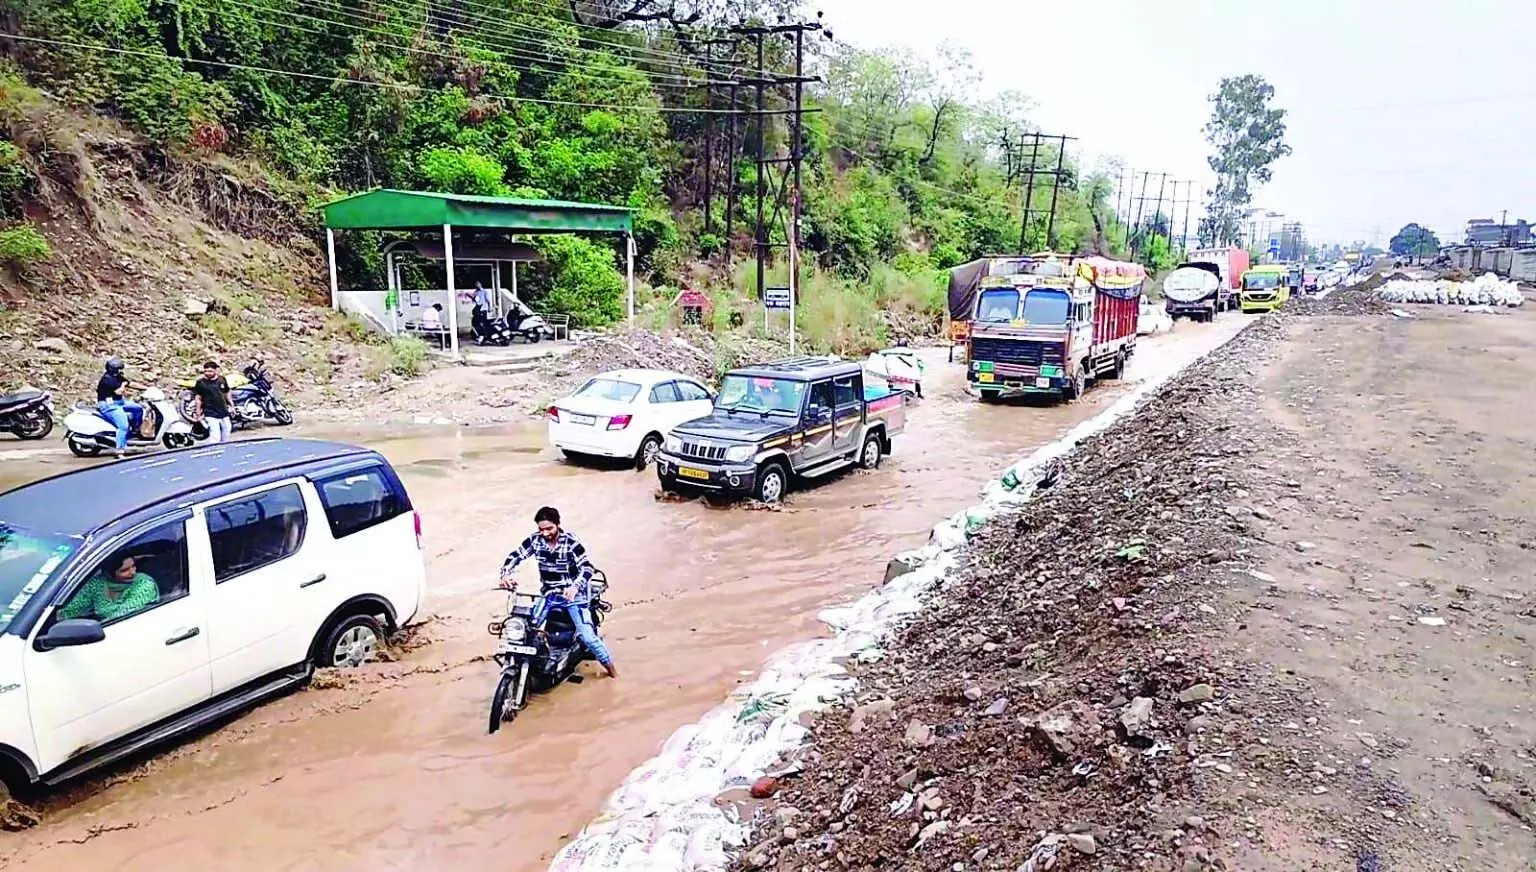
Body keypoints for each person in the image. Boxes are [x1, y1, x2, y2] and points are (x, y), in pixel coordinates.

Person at [498, 507, 617, 679]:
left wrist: (575, 586)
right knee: (525, 628)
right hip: (548, 595)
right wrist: (505, 575)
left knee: (588, 637)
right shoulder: (535, 540)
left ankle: (612, 670)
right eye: (541, 529)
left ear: (557, 524)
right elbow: (516, 555)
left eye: (549, 529)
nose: (545, 533)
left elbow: (587, 568)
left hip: (574, 597)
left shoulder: (570, 542)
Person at [58, 554, 160, 622]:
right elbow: (74, 608)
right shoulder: (98, 583)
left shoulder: (144, 584)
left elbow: (123, 616)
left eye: (133, 566)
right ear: (110, 573)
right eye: (124, 570)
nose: (133, 572)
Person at [96, 357, 142, 458]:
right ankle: (119, 450)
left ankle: (135, 431)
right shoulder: (107, 379)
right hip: (109, 405)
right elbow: (119, 391)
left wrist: (147, 388)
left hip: (119, 402)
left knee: (138, 408)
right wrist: (124, 385)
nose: (121, 371)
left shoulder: (117, 376)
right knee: (123, 426)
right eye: (119, 369)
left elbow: (129, 383)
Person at [191, 359, 234, 444]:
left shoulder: (222, 380)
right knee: (215, 437)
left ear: (216, 370)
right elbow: (198, 398)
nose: (207, 373)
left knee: (226, 435)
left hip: (224, 412)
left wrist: (231, 405)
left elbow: (227, 392)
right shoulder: (201, 383)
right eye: (206, 371)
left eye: (210, 371)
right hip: (210, 413)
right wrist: (198, 413)